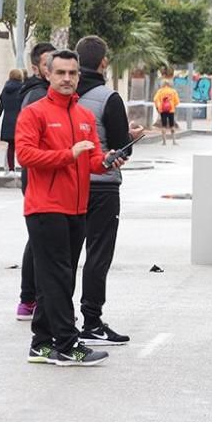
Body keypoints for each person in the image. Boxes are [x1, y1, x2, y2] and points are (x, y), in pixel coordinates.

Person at [15, 48, 126, 366]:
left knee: (59, 277)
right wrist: (68, 153)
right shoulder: (34, 113)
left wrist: (107, 161)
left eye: (72, 73)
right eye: (60, 72)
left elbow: (91, 160)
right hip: (45, 207)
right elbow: (26, 156)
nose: (67, 78)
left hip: (78, 208)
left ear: (79, 75)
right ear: (47, 74)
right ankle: (67, 343)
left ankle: (41, 342)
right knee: (57, 277)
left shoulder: (84, 116)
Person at [76, 35, 144, 345]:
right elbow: (120, 148)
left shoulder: (61, 96)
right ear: (104, 62)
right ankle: (91, 319)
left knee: (65, 255)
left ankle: (59, 320)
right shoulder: (108, 98)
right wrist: (132, 137)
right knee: (98, 254)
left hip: (70, 184)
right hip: (102, 187)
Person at [15, 42, 57, 321]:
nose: (56, 72)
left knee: (44, 238)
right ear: (37, 68)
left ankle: (35, 300)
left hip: (51, 176)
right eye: (48, 66)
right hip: (38, 175)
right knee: (40, 237)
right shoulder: (36, 97)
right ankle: (30, 299)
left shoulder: (50, 95)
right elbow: (28, 149)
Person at [0, 68, 25, 174]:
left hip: (8, 120)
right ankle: (24, 168)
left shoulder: (5, 90)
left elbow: (1, 106)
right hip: (20, 120)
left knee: (11, 146)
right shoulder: (22, 89)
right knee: (22, 146)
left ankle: (11, 169)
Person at [153, 79, 180, 145]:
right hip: (171, 110)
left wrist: (158, 107)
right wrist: (173, 105)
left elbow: (155, 99)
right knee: (172, 125)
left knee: (164, 125)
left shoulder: (160, 91)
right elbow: (177, 101)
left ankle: (164, 141)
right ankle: (174, 141)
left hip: (163, 110)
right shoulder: (173, 91)